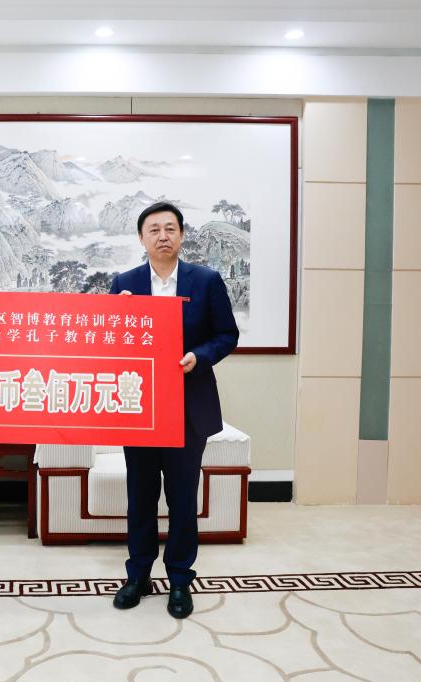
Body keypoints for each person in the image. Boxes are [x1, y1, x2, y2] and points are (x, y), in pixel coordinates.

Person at [109, 201, 239, 619]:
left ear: (182, 235)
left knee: (183, 498)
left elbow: (226, 335)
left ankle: (180, 579)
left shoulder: (206, 280)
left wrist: (199, 357)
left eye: (170, 228)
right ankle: (138, 575)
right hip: (141, 407)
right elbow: (110, 344)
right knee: (140, 496)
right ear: (141, 238)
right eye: (154, 229)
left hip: (188, 406)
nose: (162, 236)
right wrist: (119, 318)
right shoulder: (125, 284)